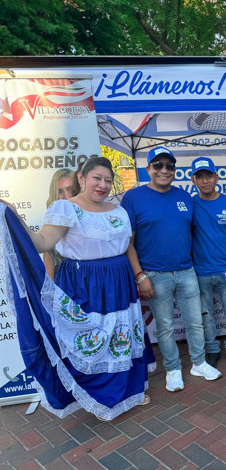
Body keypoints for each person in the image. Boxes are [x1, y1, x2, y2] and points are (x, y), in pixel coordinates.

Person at [0, 157, 155, 421]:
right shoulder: (66, 208)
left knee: (120, 332)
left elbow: (127, 246)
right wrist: (14, 215)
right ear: (81, 178)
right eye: (97, 178)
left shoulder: (118, 210)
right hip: (86, 283)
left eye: (108, 180)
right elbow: (41, 242)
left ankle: (127, 388)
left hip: (119, 280)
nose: (103, 185)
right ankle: (93, 392)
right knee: (92, 336)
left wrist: (138, 275)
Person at [122, 147, 221, 393]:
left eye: (169, 166)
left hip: (187, 271)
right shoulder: (133, 198)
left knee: (196, 323)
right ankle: (173, 369)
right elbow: (128, 243)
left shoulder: (184, 196)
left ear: (175, 170)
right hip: (154, 275)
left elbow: (190, 229)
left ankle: (199, 363)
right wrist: (140, 275)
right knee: (165, 327)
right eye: (158, 165)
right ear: (148, 169)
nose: (164, 170)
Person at [191, 157, 226, 368]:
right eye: (200, 176)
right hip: (200, 272)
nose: (205, 180)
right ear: (193, 180)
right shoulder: (190, 204)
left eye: (209, 175)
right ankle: (213, 350)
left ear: (216, 177)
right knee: (205, 316)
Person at [44, 169, 75, 279]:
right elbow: (51, 285)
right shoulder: (51, 231)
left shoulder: (93, 224)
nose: (66, 196)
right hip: (65, 293)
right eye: (60, 191)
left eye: (70, 189)